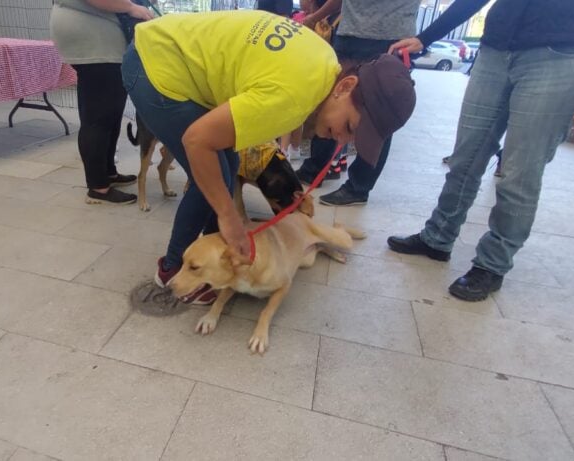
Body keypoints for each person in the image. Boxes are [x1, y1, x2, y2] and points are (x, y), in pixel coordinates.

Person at [123, 10, 415, 303]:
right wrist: (229, 216)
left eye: (352, 139)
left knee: (229, 166)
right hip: (155, 64)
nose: (342, 140)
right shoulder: (291, 97)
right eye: (350, 127)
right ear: (345, 86)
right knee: (214, 179)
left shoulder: (326, 63)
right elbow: (197, 141)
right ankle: (172, 269)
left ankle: (219, 260)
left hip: (171, 48)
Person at [386, 0, 574, 301]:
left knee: (519, 170)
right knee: (465, 156)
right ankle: (437, 237)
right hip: (497, 48)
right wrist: (427, 36)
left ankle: (492, 264)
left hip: (570, 52)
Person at [295, 0, 422, 207]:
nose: (344, 142)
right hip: (352, 32)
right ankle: (316, 168)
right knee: (337, 104)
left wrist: (313, 17)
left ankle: (358, 186)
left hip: (388, 39)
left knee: (375, 116)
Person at [49, 0, 153, 205]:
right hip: (94, 42)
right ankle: (98, 187)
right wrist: (132, 8)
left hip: (99, 41)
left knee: (111, 114)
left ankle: (108, 173)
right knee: (98, 118)